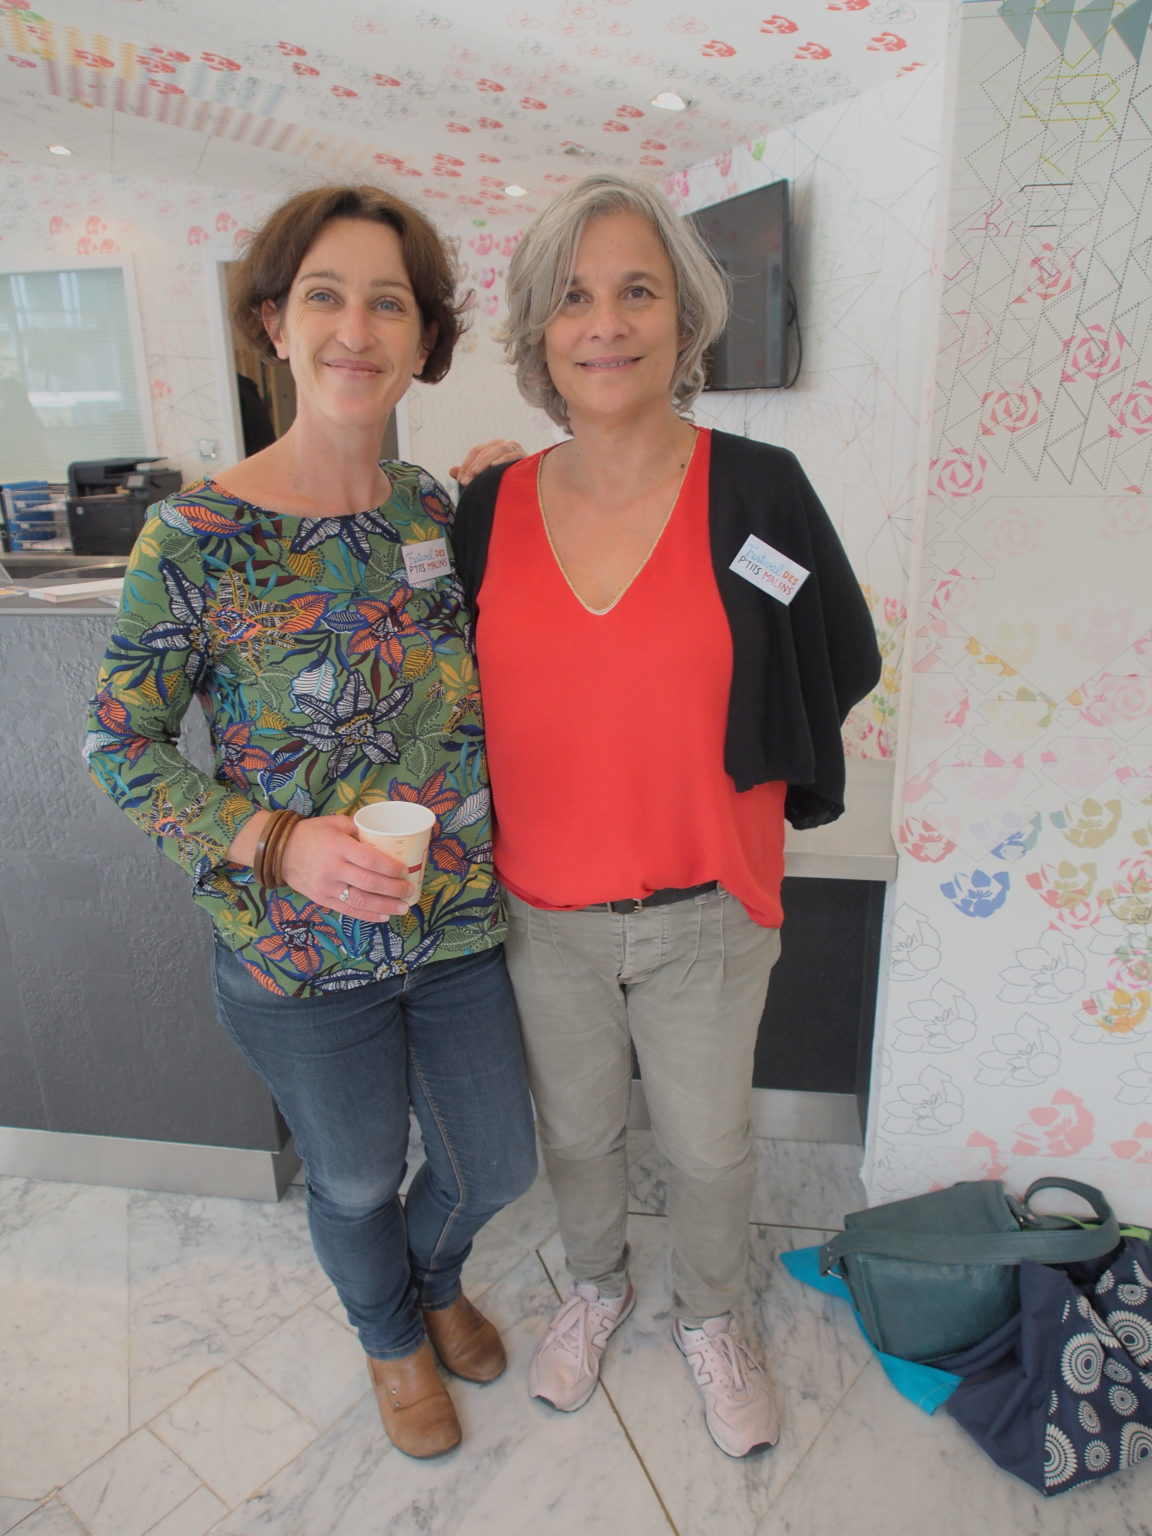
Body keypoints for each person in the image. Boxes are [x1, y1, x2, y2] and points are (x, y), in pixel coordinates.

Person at [84, 185, 537, 1461]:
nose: (356, 328)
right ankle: (392, 1339)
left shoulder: (432, 511)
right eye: (325, 297)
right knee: (350, 1177)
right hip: (297, 956)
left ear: (423, 337)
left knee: (497, 1163)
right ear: (275, 324)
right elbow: (119, 748)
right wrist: (279, 841)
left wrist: (514, 494)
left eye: (389, 302)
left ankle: (434, 1283)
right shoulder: (194, 536)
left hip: (452, 924)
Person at [453, 173, 882, 1458]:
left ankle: (712, 1314)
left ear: (684, 319)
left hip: (709, 905)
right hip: (543, 913)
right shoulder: (488, 508)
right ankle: (595, 1287)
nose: (606, 322)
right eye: (573, 297)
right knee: (578, 1136)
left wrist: (751, 768)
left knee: (707, 1148)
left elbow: (835, 649)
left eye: (637, 290)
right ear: (537, 331)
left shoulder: (759, 489)